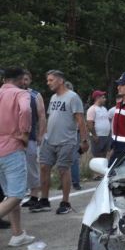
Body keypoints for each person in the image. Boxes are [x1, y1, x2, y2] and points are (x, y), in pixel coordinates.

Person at [32, 71, 89, 214]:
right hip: (49, 140)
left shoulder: (73, 97)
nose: (48, 83)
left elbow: (81, 120)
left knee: (64, 170)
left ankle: (65, 202)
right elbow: (51, 117)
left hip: (66, 141)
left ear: (60, 80)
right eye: (48, 80)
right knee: (44, 167)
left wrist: (83, 140)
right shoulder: (53, 97)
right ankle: (44, 200)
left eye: (51, 80)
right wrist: (43, 134)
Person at [0, 66, 35, 245]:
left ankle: (18, 234)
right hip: (12, 148)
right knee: (17, 194)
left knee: (9, 194)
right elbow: (26, 111)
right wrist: (25, 132)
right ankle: (17, 234)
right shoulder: (21, 94)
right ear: (21, 79)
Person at [19, 70, 46, 209]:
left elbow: (41, 116)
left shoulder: (35, 95)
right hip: (13, 138)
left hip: (30, 138)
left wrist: (41, 134)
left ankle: (34, 195)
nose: (24, 82)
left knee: (31, 168)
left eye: (26, 79)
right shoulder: (12, 94)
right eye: (22, 79)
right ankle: (15, 196)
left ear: (30, 80)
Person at [86, 90, 111, 158]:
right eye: (103, 98)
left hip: (106, 136)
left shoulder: (104, 109)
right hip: (98, 137)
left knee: (104, 156)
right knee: (97, 157)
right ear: (97, 98)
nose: (105, 99)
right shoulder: (92, 109)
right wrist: (95, 136)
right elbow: (90, 124)